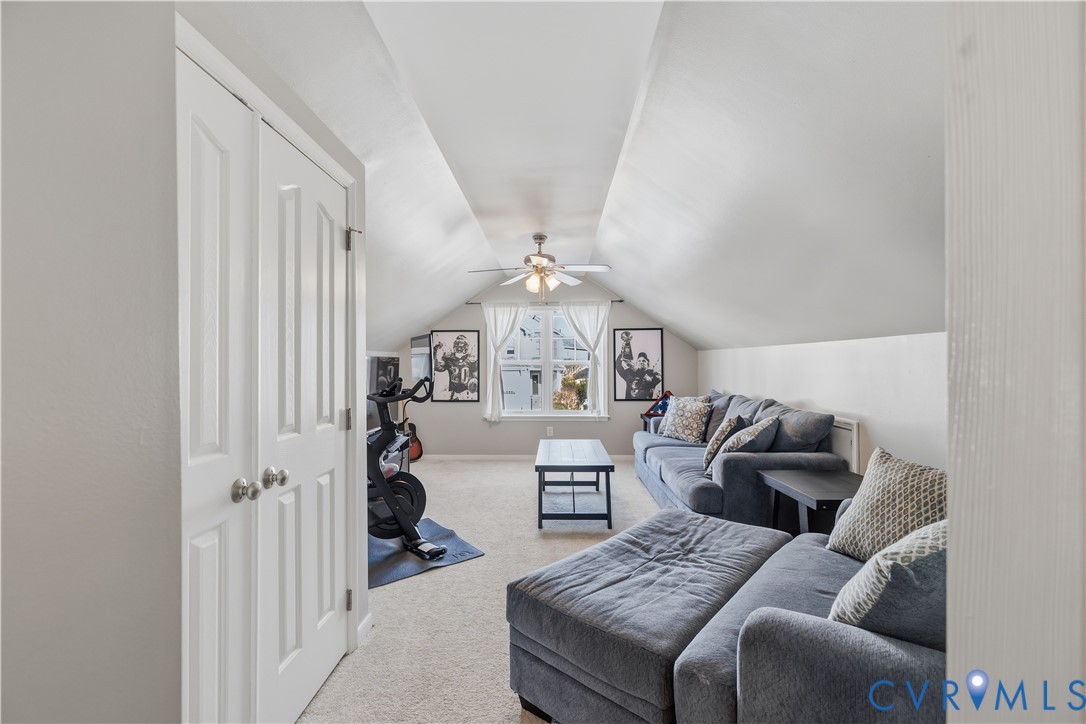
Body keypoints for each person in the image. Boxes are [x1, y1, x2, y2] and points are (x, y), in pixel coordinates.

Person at [616, 331, 662, 400]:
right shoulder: (630, 374)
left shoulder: (653, 374)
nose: (641, 362)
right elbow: (618, 366)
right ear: (636, 363)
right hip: (628, 405)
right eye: (639, 361)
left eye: (644, 361)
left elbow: (650, 382)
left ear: (648, 364)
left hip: (646, 404)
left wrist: (634, 368)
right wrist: (623, 352)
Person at [433, 334, 479, 400]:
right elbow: (437, 367)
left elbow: (476, 377)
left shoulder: (470, 359)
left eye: (462, 344)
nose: (459, 347)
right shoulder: (449, 358)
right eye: (458, 344)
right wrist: (435, 350)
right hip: (453, 394)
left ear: (466, 346)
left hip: (467, 394)